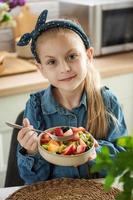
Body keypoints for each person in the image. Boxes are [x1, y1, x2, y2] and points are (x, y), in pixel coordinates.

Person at [16, 9, 127, 184]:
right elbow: (31, 180)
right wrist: (31, 152)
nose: (65, 68)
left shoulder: (107, 102)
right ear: (41, 69)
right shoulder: (35, 106)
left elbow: (123, 163)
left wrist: (95, 152)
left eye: (72, 56)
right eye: (52, 62)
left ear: (89, 56)